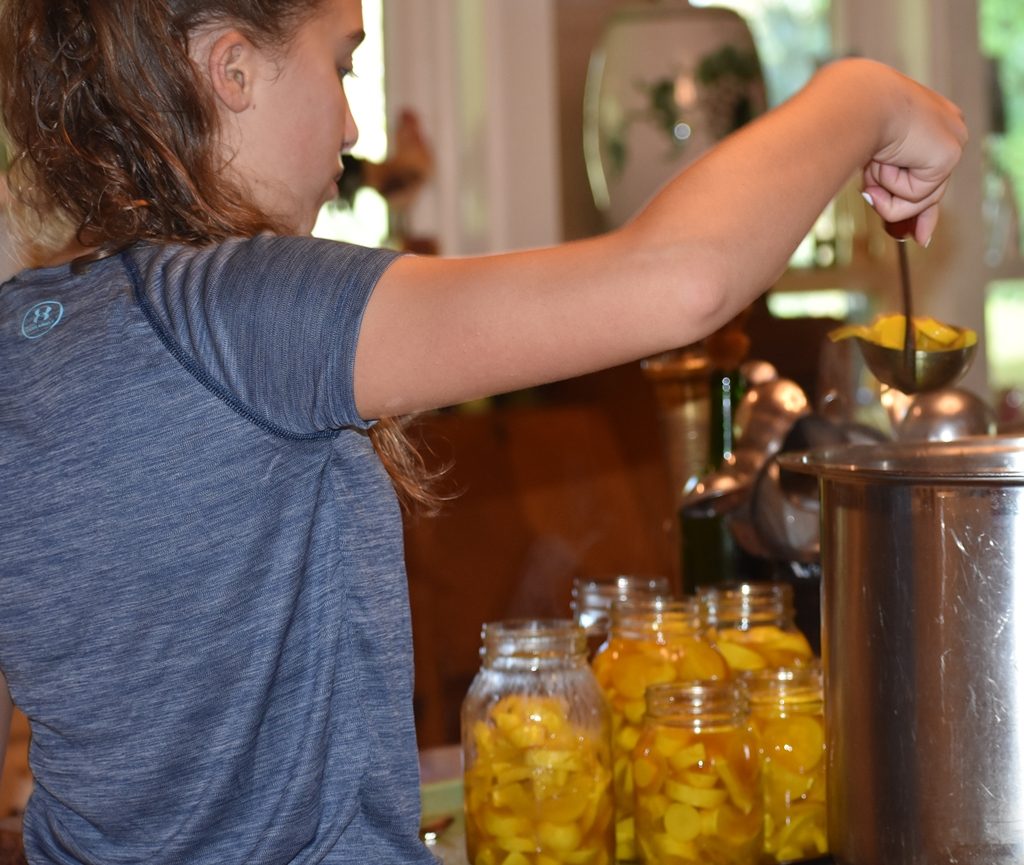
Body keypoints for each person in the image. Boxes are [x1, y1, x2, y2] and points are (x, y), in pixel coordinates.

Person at [0, 0, 965, 863]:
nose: (349, 123)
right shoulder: (243, 311)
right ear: (233, 68)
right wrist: (866, 95)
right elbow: (679, 279)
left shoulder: (25, 331)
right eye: (340, 64)